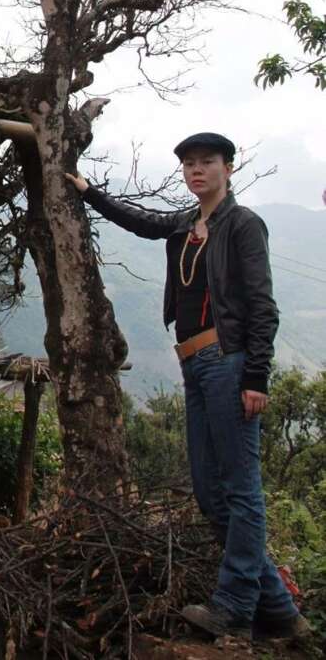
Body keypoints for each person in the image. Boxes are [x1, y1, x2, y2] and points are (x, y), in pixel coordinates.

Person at [66, 132, 309, 642]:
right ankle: (282, 613)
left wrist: (256, 376)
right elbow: (143, 222)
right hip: (194, 364)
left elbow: (264, 308)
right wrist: (89, 192)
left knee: (241, 490)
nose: (197, 171)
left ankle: (235, 606)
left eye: (208, 163)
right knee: (209, 491)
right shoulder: (185, 224)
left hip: (228, 361)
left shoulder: (243, 225)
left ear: (228, 168)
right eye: (190, 165)